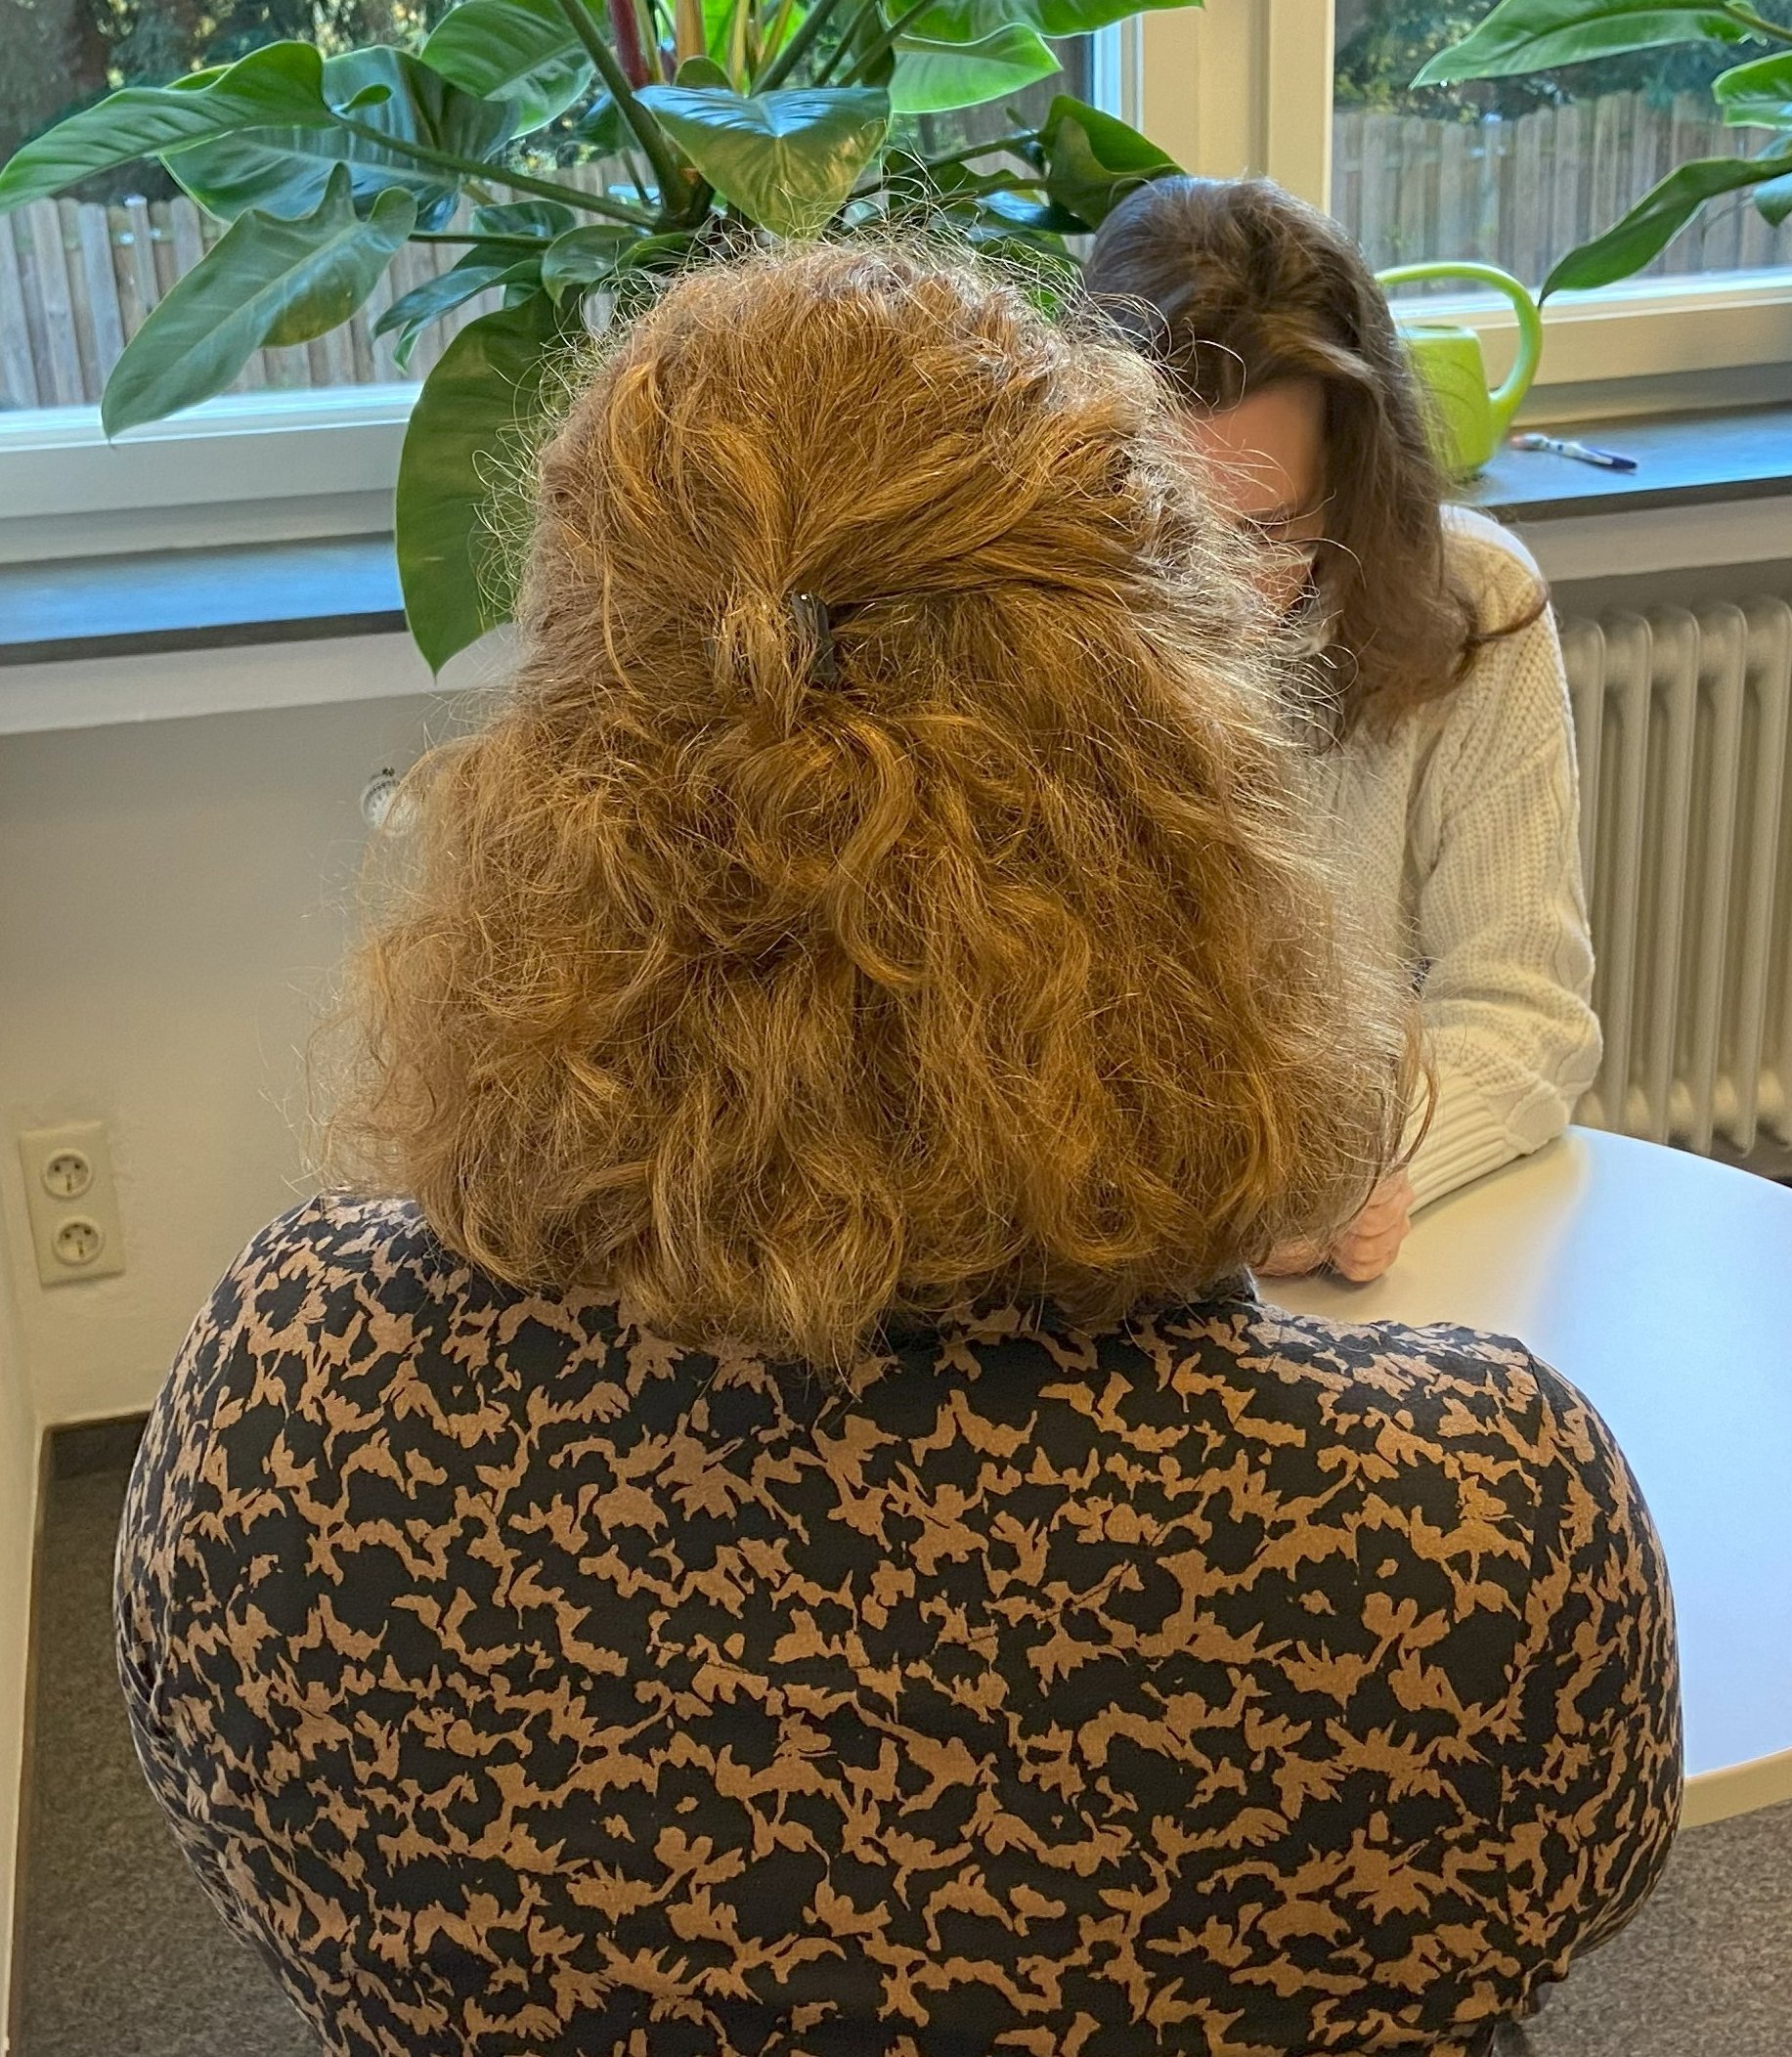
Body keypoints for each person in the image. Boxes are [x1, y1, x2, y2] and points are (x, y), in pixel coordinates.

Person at [115, 242, 1680, 2057]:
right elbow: (1556, 1893)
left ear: (554, 756)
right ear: (1190, 774)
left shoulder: (286, 1412)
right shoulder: (1468, 1534)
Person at [1083, 176, 1602, 1285]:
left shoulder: (1473, 606)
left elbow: (1522, 1010)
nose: (1221, 593)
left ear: (1354, 482)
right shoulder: (1028, 629)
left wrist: (1358, 1164)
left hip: (1375, 1251)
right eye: (1173, 532)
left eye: (1269, 527)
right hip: (1098, 1256)